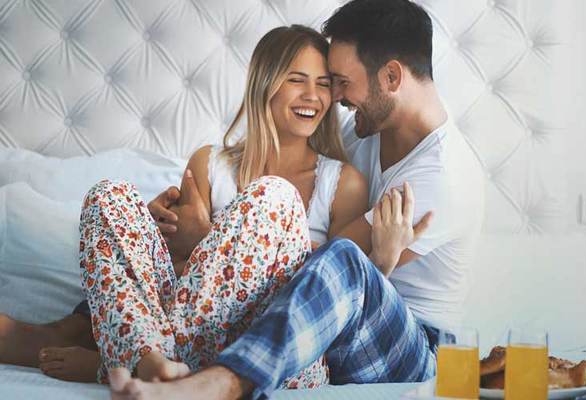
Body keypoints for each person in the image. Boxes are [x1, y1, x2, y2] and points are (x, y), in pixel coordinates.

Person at [106, 0, 485, 399]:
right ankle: (129, 347)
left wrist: (205, 240)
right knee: (115, 209)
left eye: (339, 81)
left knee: (345, 259)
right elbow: (277, 154)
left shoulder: (443, 177)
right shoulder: (363, 128)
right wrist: (154, 231)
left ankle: (221, 383)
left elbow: (305, 269)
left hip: (413, 347)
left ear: (391, 76)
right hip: (323, 331)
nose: (332, 96)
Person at [0, 25, 377, 388]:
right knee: (109, 196)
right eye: (297, 79)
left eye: (324, 84)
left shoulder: (342, 183)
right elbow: (178, 271)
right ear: (266, 83)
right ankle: (148, 362)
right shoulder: (209, 164)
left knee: (273, 195)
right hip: (177, 330)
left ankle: (115, 363)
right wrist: (147, 236)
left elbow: (333, 284)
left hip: (275, 354)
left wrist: (207, 237)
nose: (313, 95)